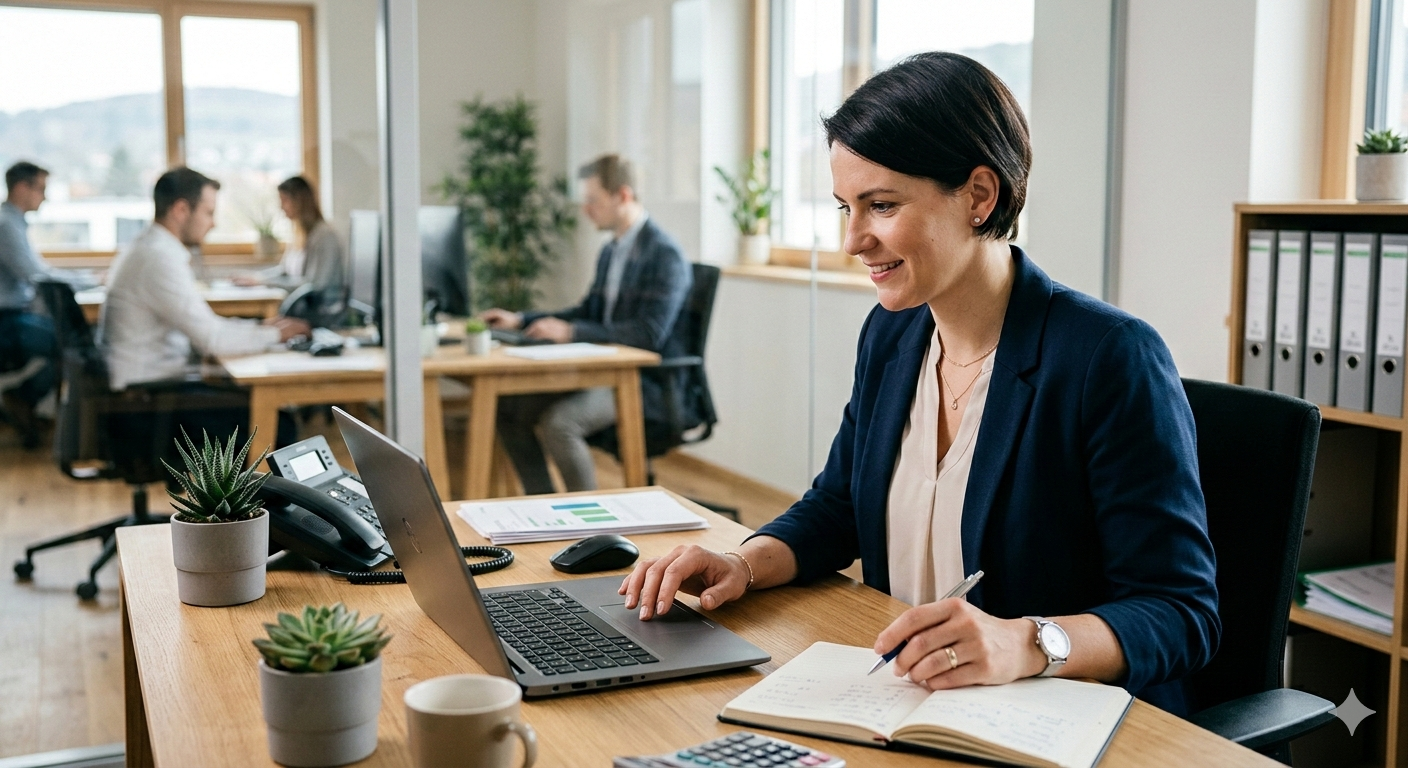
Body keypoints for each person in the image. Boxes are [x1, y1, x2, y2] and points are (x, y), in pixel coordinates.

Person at [618, 53, 1220, 716]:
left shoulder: (1109, 357)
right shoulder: (892, 336)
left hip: (1063, 719)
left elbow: (1180, 612)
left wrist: (1027, 642)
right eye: (846, 207)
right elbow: (839, 505)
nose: (853, 240)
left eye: (881, 206)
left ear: (979, 197)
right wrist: (744, 562)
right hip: (911, 704)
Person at [482, 154, 692, 494]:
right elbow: (587, 311)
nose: (586, 209)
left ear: (622, 196)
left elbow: (648, 334)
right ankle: (544, 504)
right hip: (601, 371)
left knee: (560, 424)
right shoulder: (612, 250)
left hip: (645, 381)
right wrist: (522, 320)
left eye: (593, 200)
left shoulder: (663, 253)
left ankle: (591, 526)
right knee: (508, 410)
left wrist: (573, 332)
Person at [102, 167, 308, 445]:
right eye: (208, 213)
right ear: (180, 210)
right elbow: (212, 339)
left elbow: (207, 327)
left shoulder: (151, 249)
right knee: (276, 426)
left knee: (252, 404)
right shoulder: (157, 259)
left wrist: (260, 327)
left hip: (149, 393)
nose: (213, 224)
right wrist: (277, 334)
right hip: (146, 406)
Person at [0, 162, 66, 447]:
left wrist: (84, 279)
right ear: (21, 187)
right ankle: (24, 398)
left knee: (70, 342)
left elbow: (39, 270)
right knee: (70, 342)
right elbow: (35, 274)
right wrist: (85, 282)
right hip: (6, 321)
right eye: (41, 189)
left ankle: (25, 399)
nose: (44, 197)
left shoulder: (13, 223)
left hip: (15, 316)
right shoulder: (5, 225)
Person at [237, 175, 346, 326]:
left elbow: (315, 285)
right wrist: (257, 278)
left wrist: (266, 283)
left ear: (299, 201)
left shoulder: (324, 236)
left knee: (265, 323)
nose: (281, 207)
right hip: (301, 308)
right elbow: (284, 270)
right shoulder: (299, 233)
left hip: (319, 311)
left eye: (284, 201)